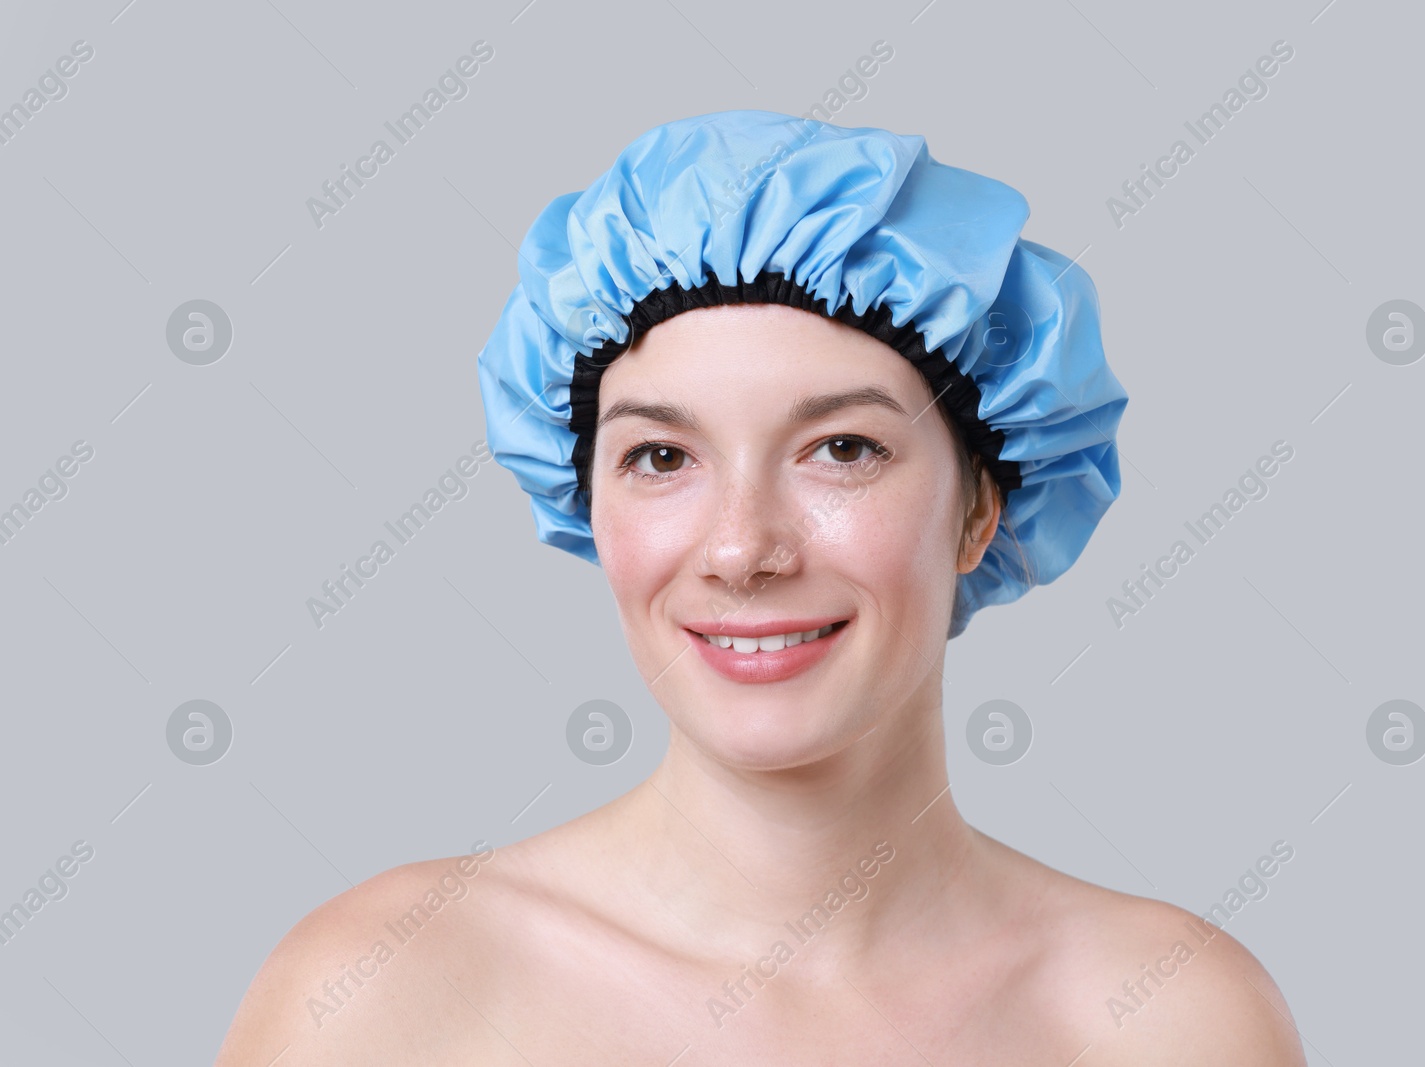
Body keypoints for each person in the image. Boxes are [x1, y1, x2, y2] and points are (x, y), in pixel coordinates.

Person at [215, 109, 1306, 1064]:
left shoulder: (1167, 1019)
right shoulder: (382, 993)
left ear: (981, 509)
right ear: (584, 499)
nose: (742, 549)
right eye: (661, 457)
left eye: (841, 448)